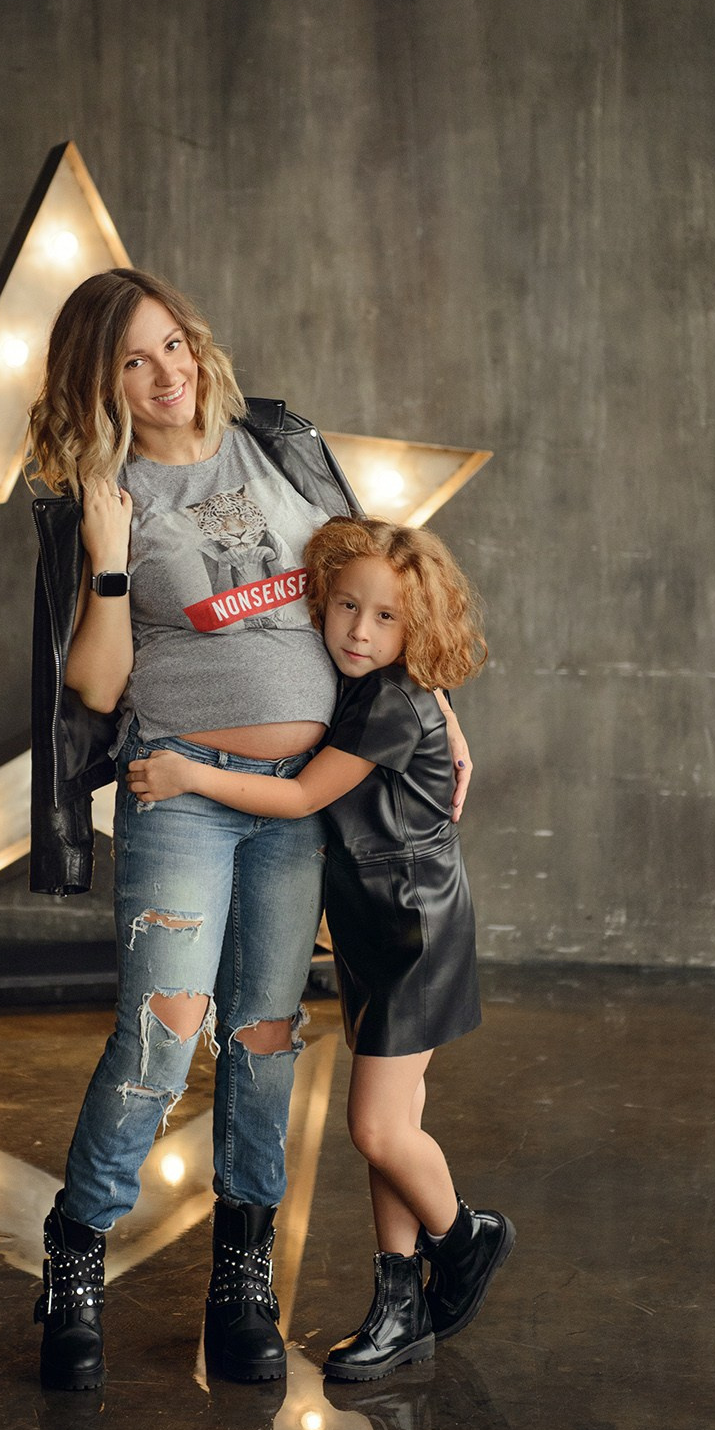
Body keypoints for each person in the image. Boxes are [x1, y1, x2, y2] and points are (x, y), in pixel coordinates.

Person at [27, 269, 474, 1391]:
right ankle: (75, 1257)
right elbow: (93, 685)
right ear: (99, 382)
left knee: (265, 1038)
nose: (165, 373)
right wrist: (110, 561)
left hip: (296, 800)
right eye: (133, 359)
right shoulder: (101, 494)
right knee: (162, 1033)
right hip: (181, 791)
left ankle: (242, 1277)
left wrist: (438, 711)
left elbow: (385, 585)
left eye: (172, 345)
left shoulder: (278, 445)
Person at [128, 515, 514, 1380]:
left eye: (385, 618)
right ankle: (399, 1307)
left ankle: (465, 1237)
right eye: (346, 607)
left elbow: (302, 798)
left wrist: (187, 772)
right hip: (375, 927)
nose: (358, 631)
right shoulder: (361, 683)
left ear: (416, 628)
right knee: (396, 1126)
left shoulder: (389, 703)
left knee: (374, 1128)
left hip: (411, 931)